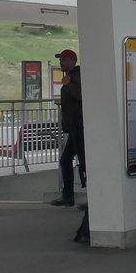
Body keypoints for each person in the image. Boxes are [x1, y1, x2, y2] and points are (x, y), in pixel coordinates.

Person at [50, 49, 84, 207]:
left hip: (80, 127)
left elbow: (80, 96)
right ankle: (68, 195)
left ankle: (72, 196)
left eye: (63, 59)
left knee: (82, 162)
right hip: (75, 127)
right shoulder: (71, 77)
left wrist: (68, 85)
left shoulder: (76, 76)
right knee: (65, 160)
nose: (60, 62)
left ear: (71, 60)